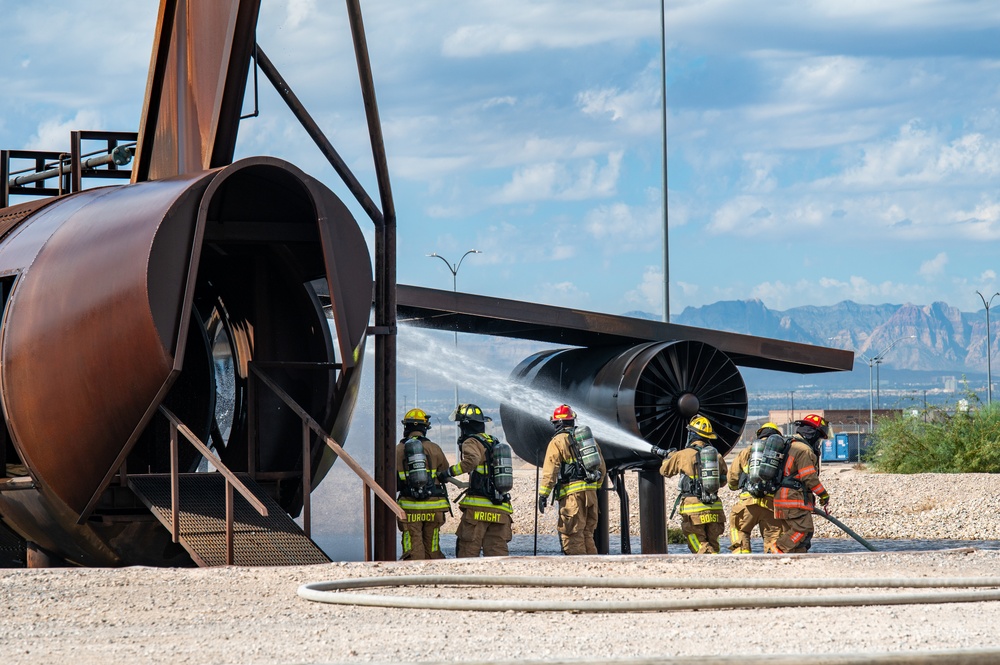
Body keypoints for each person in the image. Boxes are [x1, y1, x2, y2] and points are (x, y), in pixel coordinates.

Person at [442, 403, 513, 557]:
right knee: (497, 554)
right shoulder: (493, 441)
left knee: (468, 551)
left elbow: (472, 460)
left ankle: (468, 581)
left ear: (466, 425)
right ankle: (500, 581)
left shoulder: (471, 442)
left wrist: (449, 472)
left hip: (478, 509)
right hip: (500, 508)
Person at [537, 404, 607, 555]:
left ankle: (579, 572)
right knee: (587, 534)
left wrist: (543, 494)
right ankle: (593, 571)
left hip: (572, 496)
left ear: (559, 423)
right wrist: (595, 488)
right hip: (591, 495)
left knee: (572, 535)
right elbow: (602, 468)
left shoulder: (557, 441)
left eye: (555, 423)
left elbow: (551, 470)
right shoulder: (588, 439)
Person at [654, 415, 728, 554]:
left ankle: (704, 568)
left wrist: (668, 458)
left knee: (698, 544)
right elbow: (723, 481)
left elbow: (664, 471)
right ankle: (716, 571)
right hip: (715, 508)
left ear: (692, 434)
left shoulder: (683, 455)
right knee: (714, 544)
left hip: (693, 509)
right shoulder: (716, 456)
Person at [394, 408, 451, 560]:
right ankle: (434, 574)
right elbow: (444, 473)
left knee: (412, 544)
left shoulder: (398, 450)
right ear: (425, 428)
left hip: (409, 507)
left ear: (406, 427)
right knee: (432, 544)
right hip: (434, 507)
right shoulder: (434, 448)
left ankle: (413, 574)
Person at [772, 413, 831, 553]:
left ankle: (796, 565)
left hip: (783, 498)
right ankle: (777, 549)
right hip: (793, 499)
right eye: (819, 438)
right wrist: (823, 494)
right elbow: (809, 477)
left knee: (799, 539)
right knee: (804, 529)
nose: (818, 443)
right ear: (813, 434)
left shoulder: (790, 445)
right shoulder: (803, 450)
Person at [728, 422, 784, 553]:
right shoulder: (781, 452)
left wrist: (734, 486)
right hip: (771, 505)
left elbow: (733, 477)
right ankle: (775, 566)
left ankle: (743, 560)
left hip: (748, 502)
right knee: (773, 540)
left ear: (760, 434)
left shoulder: (747, 451)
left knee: (740, 531)